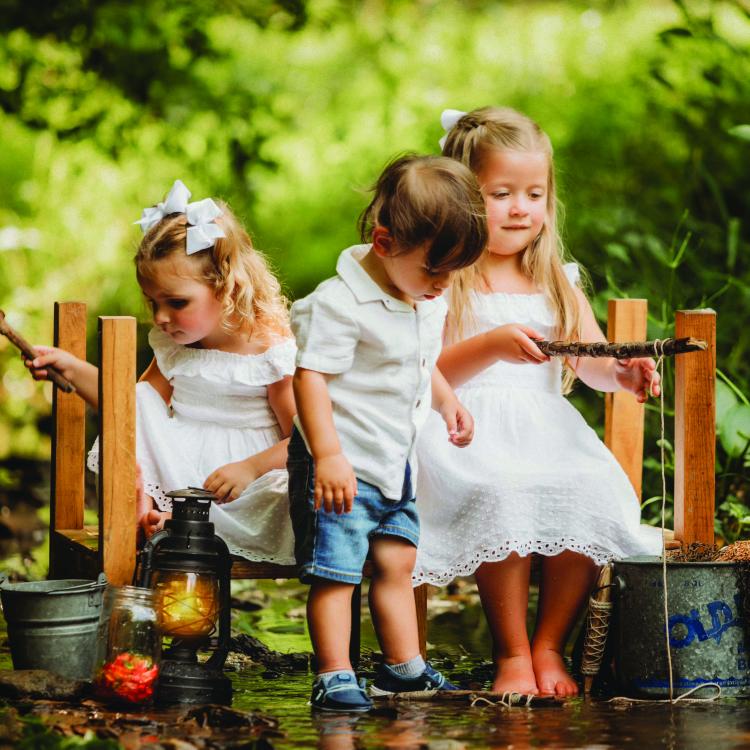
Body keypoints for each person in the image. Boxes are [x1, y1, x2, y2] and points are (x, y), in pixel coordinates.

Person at [413, 107, 663, 697]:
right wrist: (493, 347)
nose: (520, 208)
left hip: (544, 427)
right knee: (505, 491)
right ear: (462, 196)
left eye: (534, 193)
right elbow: (427, 372)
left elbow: (590, 360)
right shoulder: (449, 276)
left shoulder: (556, 278)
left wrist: (623, 374)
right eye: (500, 193)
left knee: (586, 490)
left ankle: (550, 643)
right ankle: (511, 651)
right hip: (463, 428)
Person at [288, 154, 487, 711]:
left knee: (398, 562)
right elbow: (310, 380)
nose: (442, 285)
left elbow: (420, 364)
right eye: (435, 271)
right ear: (384, 242)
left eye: (452, 274)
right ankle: (334, 674)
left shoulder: (418, 295)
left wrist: (447, 402)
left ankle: (403, 667)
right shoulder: (340, 304)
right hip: (341, 464)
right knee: (337, 570)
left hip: (394, 462)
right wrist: (326, 455)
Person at [26, 180, 296, 563]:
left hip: (247, 478)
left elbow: (303, 440)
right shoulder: (174, 346)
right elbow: (127, 407)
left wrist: (250, 468)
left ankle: (178, 521)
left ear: (225, 285)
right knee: (140, 397)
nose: (162, 318)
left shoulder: (269, 351)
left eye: (177, 302)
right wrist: (69, 367)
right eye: (152, 303)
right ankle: (146, 509)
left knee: (278, 499)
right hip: (182, 469)